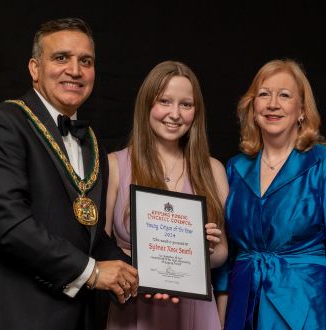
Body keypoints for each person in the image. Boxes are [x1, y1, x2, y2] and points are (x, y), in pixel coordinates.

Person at [0, 18, 138, 330]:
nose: (75, 70)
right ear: (35, 68)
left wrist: (143, 275)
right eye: (61, 57)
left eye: (85, 61)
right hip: (9, 315)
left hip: (75, 317)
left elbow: (88, 233)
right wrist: (91, 272)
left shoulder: (92, 143)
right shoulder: (1, 124)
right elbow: (7, 222)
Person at [214, 59, 326, 329]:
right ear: (253, 107)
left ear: (302, 110)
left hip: (304, 304)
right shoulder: (235, 167)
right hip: (243, 303)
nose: (273, 104)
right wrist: (222, 317)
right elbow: (229, 253)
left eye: (284, 95)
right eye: (264, 94)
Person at [105, 60, 229, 330]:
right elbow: (99, 246)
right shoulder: (115, 165)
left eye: (186, 104)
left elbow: (221, 255)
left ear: (196, 112)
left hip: (195, 310)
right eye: (164, 101)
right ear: (147, 104)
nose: (175, 113)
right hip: (134, 307)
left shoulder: (213, 170)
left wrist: (205, 247)